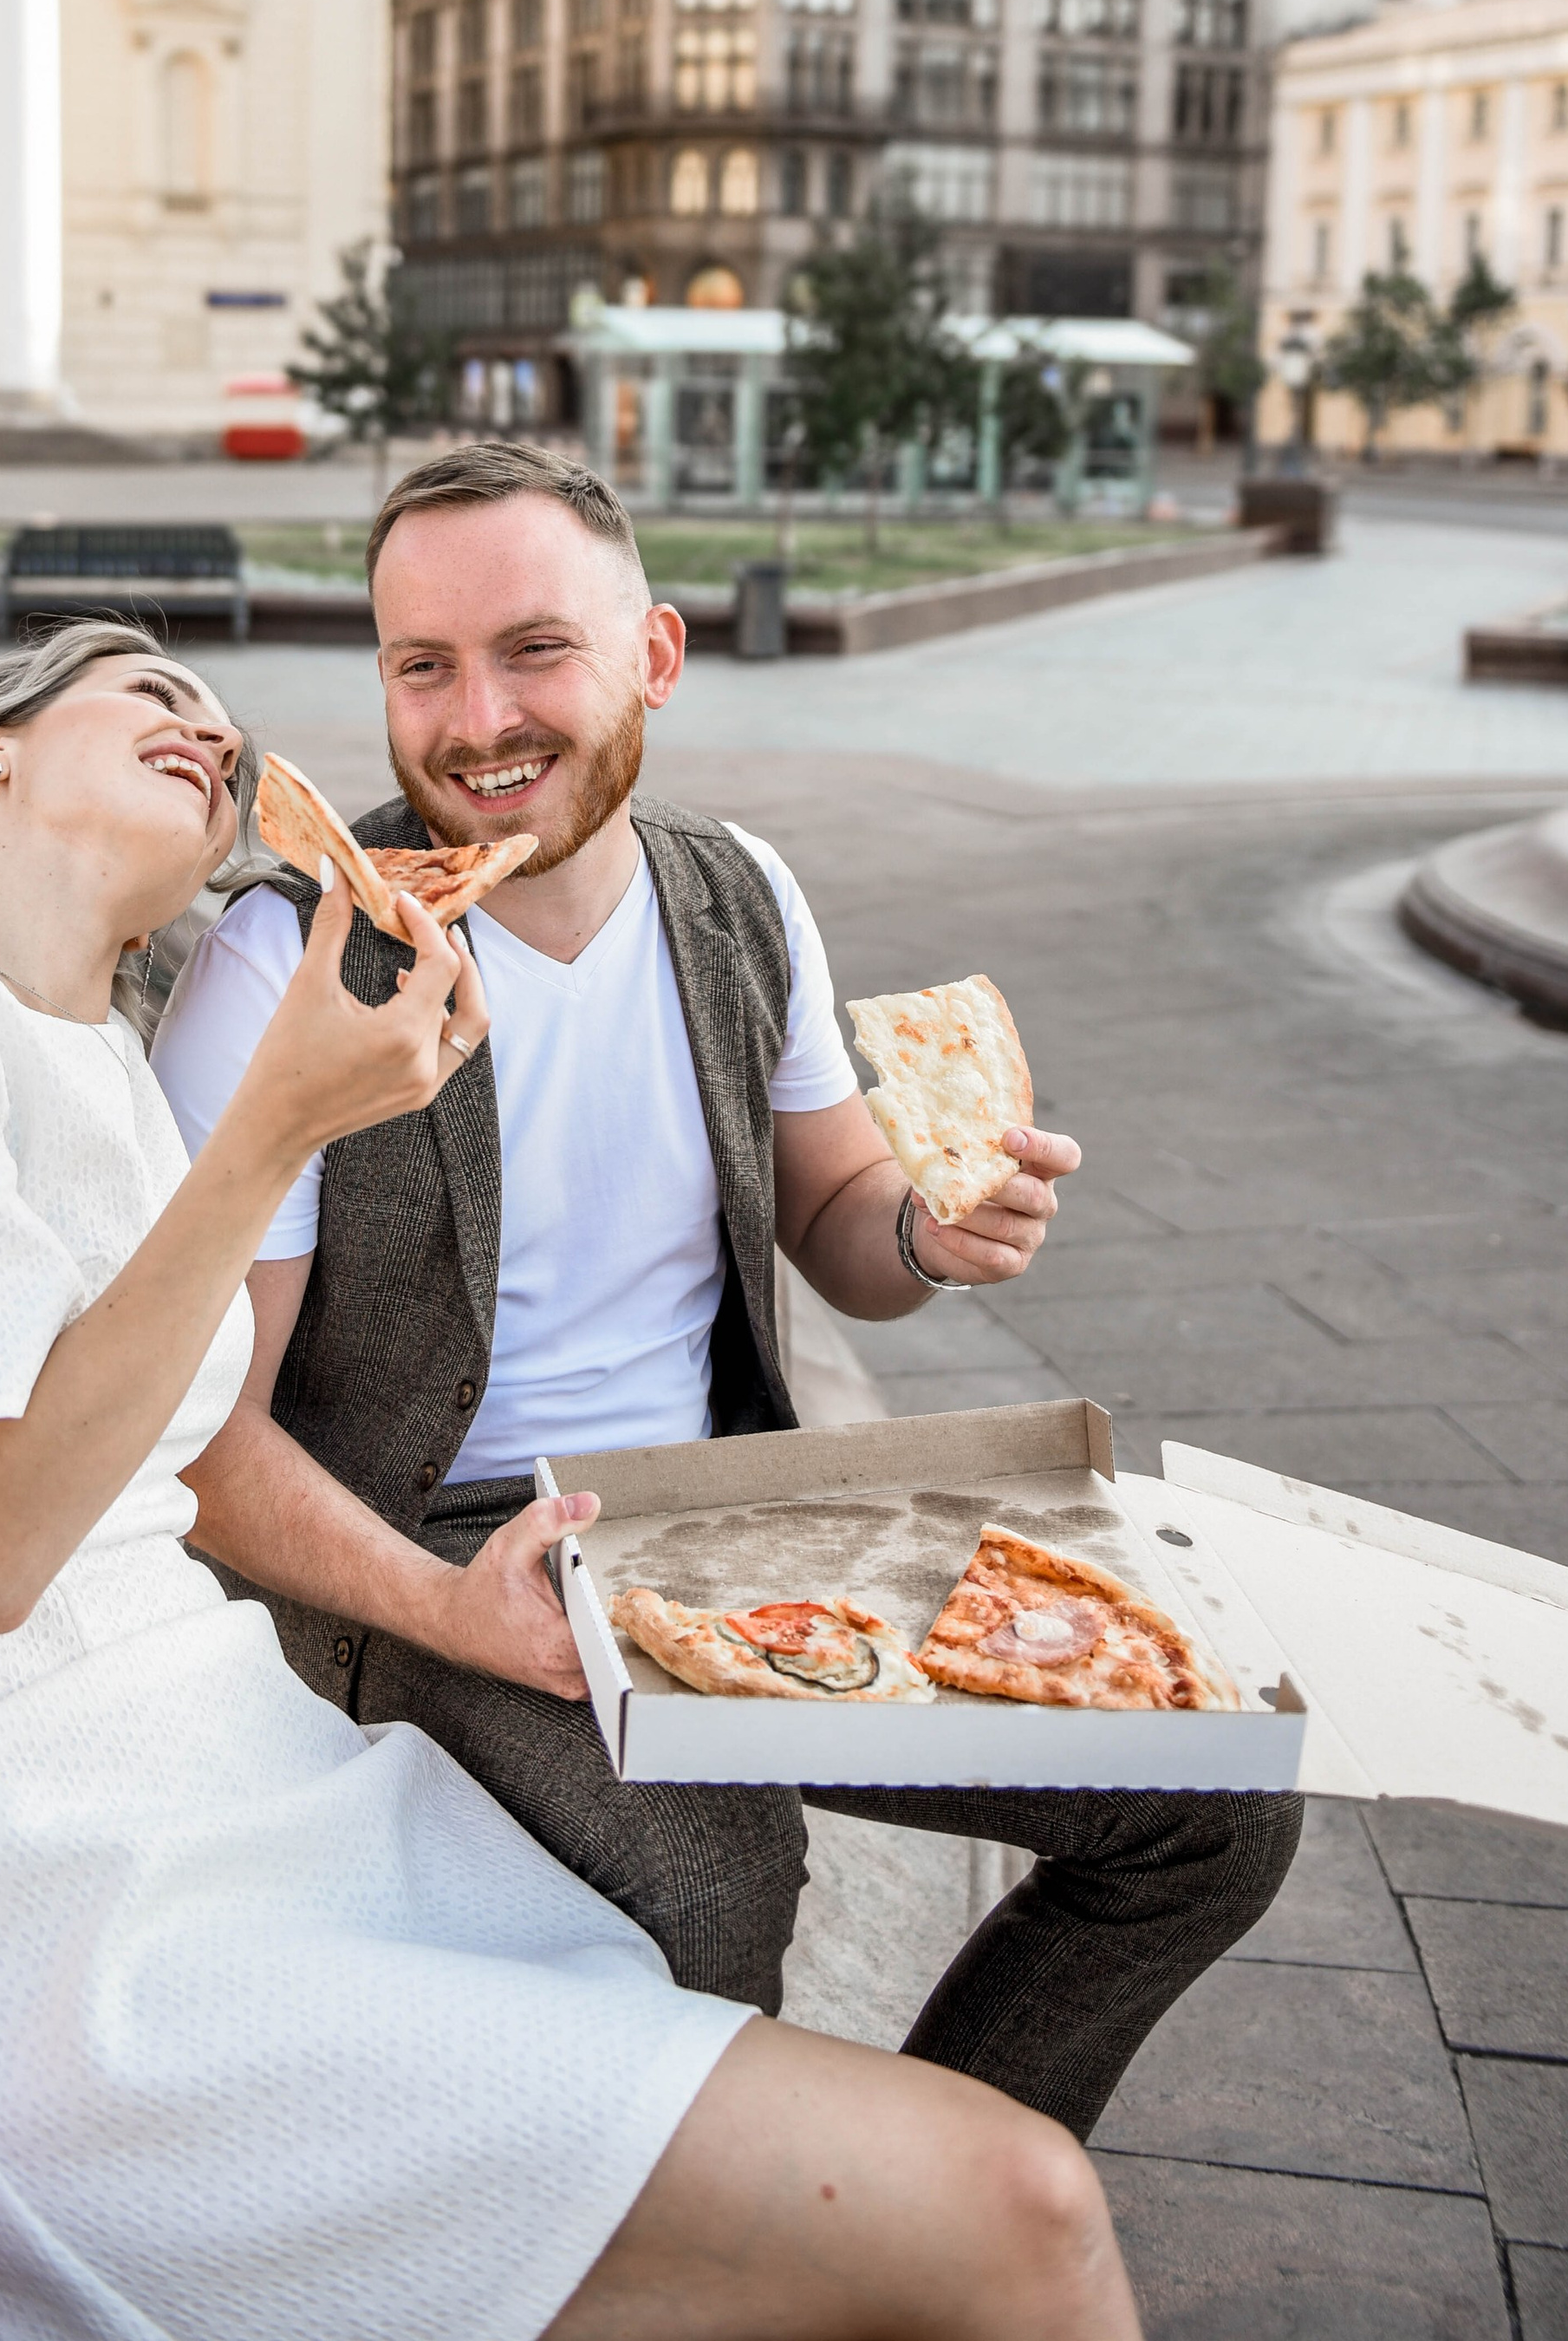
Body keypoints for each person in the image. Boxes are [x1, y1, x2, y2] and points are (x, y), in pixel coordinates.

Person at [0, 617, 1136, 2341]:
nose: (212, 732)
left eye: (225, 733)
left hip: (248, 1798)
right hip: (53, 1913)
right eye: (154, 691)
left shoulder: (107, 1073)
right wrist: (277, 1131)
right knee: (1017, 2203)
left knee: (930, 2203)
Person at [156, 443, 1302, 2141]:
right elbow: (198, 1439)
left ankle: (938, 2212)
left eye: (534, 649)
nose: (477, 720)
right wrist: (450, 1607)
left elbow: (840, 1214)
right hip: (428, 1550)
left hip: (710, 1520)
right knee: (703, 1892)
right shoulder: (288, 960)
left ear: (656, 656)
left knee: (1210, 1804)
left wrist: (933, 1233)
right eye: (422, 665)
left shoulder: (740, 897)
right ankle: (823, 2223)